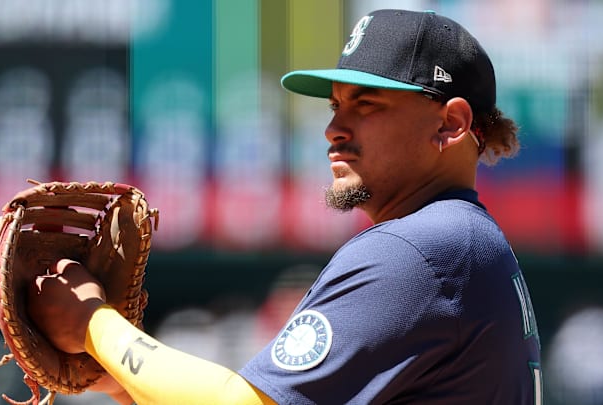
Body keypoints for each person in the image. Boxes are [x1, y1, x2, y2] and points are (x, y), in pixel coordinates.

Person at [28, 9, 542, 405]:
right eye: (336, 105)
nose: (334, 129)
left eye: (367, 104)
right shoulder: (464, 245)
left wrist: (93, 323)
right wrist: (124, 374)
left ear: (450, 124)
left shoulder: (419, 250)